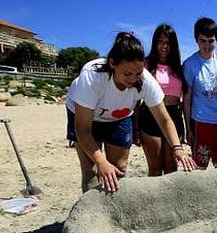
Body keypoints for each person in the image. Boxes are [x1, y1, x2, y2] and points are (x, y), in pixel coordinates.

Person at [66, 32, 195, 192]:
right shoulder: (92, 78)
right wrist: (101, 162)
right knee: (92, 171)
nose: (133, 79)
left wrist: (178, 149)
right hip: (86, 117)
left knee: (118, 168)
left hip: (119, 117)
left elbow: (164, 119)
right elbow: (83, 130)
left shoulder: (146, 80)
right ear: (113, 63)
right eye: (127, 74)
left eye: (138, 73)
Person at [183, 17, 217, 169]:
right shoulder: (190, 64)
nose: (207, 45)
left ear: (216, 40)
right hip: (200, 123)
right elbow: (187, 98)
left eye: (211, 41)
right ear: (196, 40)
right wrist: (188, 129)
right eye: (202, 41)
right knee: (199, 169)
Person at [137, 24, 186, 176]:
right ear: (154, 42)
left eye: (168, 42)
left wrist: (188, 127)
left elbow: (185, 99)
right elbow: (135, 99)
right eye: (160, 41)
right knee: (155, 167)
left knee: (172, 166)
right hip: (150, 115)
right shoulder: (144, 65)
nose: (164, 46)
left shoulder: (179, 67)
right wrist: (135, 126)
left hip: (175, 115)